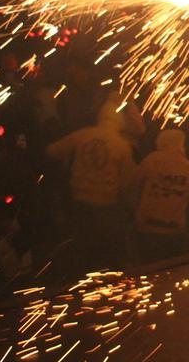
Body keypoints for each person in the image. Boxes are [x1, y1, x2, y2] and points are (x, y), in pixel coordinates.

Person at [45, 99, 137, 270]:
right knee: (107, 254)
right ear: (120, 122)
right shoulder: (122, 146)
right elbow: (129, 181)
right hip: (107, 206)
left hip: (78, 203)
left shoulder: (83, 134)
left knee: (81, 252)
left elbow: (52, 151)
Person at [131, 129, 189, 262]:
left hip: (148, 228)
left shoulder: (152, 160)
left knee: (147, 269)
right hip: (174, 230)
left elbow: (135, 184)